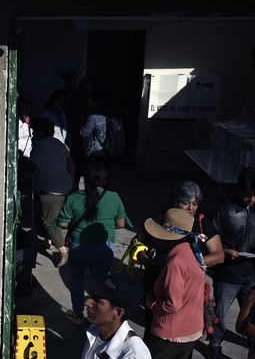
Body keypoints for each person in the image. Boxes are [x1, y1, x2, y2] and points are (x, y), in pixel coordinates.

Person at [143, 208, 206, 359]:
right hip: (191, 330)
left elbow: (171, 304)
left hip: (169, 330)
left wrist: (151, 305)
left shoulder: (176, 261)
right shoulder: (192, 251)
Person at [206, 168, 255, 359]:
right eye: (247, 195)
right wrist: (225, 251)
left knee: (254, 312)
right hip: (228, 273)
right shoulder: (224, 209)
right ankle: (215, 345)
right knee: (220, 312)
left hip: (252, 272)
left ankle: (254, 345)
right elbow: (210, 237)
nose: (251, 199)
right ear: (238, 190)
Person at [139, 181, 223, 335]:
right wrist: (144, 258)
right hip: (156, 284)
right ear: (175, 202)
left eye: (195, 204)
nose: (191, 208)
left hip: (187, 288)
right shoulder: (159, 219)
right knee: (153, 331)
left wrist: (190, 265)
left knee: (183, 333)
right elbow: (139, 244)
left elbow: (219, 255)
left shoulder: (202, 224)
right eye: (186, 203)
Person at [57, 159, 130, 324]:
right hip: (105, 248)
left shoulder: (74, 197)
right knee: (100, 285)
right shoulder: (114, 197)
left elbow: (62, 223)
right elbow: (121, 224)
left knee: (76, 279)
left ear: (85, 179)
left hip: (79, 247)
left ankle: (77, 314)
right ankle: (98, 318)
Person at [29, 118, 75, 263]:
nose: (33, 134)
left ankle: (63, 251)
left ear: (41, 132)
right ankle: (47, 242)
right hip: (65, 188)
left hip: (49, 190)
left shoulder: (39, 147)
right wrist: (71, 181)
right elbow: (71, 164)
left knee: (48, 222)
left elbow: (34, 169)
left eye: (35, 131)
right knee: (52, 217)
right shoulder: (61, 145)